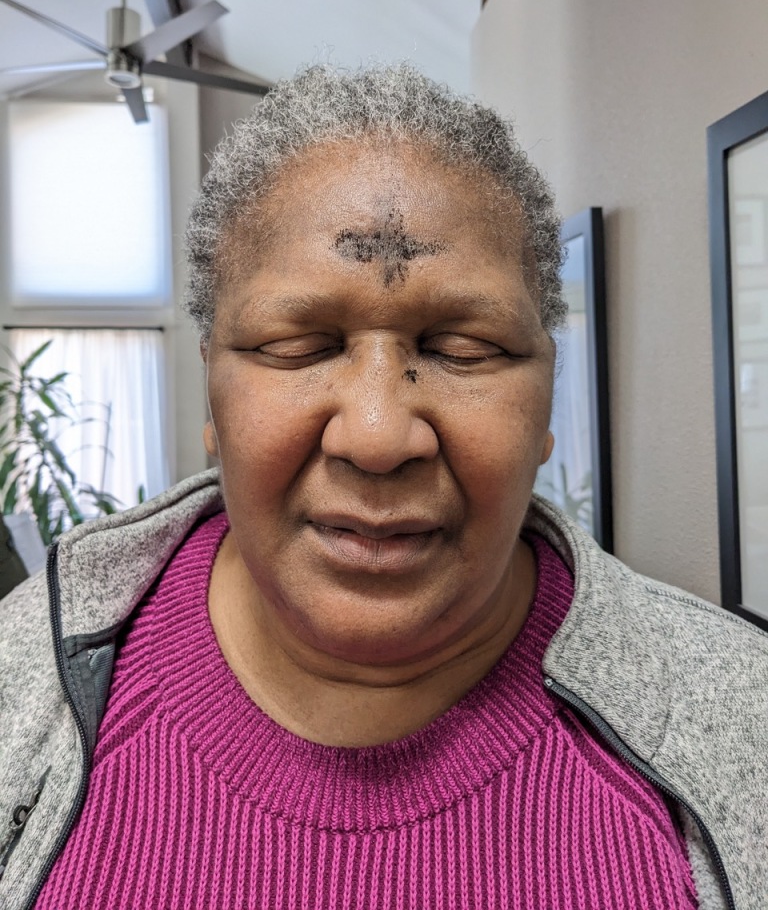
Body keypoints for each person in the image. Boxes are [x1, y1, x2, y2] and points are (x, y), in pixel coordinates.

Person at [0, 65, 765, 910]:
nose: (376, 435)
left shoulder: (742, 720)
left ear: (546, 401)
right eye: (298, 347)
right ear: (212, 394)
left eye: (462, 349)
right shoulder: (22, 687)